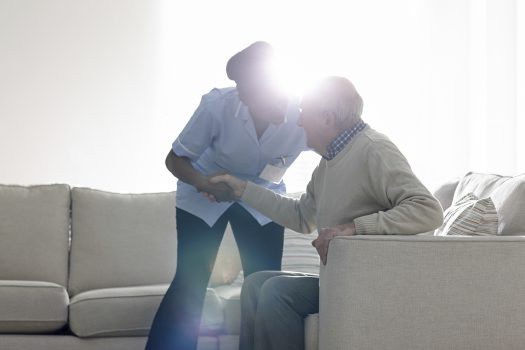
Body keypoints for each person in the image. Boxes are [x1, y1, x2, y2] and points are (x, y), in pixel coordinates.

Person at [209, 76, 444, 350]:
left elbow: (428, 210)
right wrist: (242, 189)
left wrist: (353, 228)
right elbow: (301, 216)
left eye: (304, 113)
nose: (298, 122)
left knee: (276, 292)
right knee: (255, 284)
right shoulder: (328, 163)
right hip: (339, 278)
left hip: (369, 282)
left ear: (328, 118)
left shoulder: (374, 149)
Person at [144, 41, 309, 350]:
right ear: (245, 97)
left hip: (262, 198)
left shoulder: (304, 113)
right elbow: (174, 159)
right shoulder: (217, 105)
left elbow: (336, 147)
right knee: (191, 283)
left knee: (265, 284)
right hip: (206, 194)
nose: (272, 106)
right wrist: (204, 182)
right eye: (258, 99)